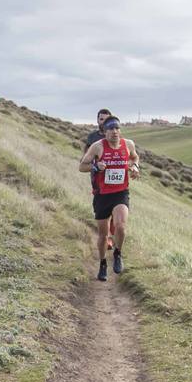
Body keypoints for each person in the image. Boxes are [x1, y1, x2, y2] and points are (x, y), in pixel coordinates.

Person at [77, 116, 139, 276]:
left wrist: (135, 167)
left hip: (121, 192)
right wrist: (96, 166)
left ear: (120, 130)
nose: (114, 132)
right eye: (110, 129)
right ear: (104, 132)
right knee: (103, 235)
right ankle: (103, 263)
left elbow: (135, 157)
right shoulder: (97, 147)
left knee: (121, 225)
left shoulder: (128, 144)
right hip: (102, 195)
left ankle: (118, 253)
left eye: (117, 128)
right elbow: (82, 166)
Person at [85, 109, 116, 274]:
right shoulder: (92, 138)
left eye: (106, 119)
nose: (103, 122)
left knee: (115, 209)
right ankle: (106, 235)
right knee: (102, 210)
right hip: (97, 178)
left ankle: (110, 237)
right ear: (97, 120)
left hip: (115, 180)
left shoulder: (114, 135)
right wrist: (94, 166)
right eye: (101, 119)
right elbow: (85, 157)